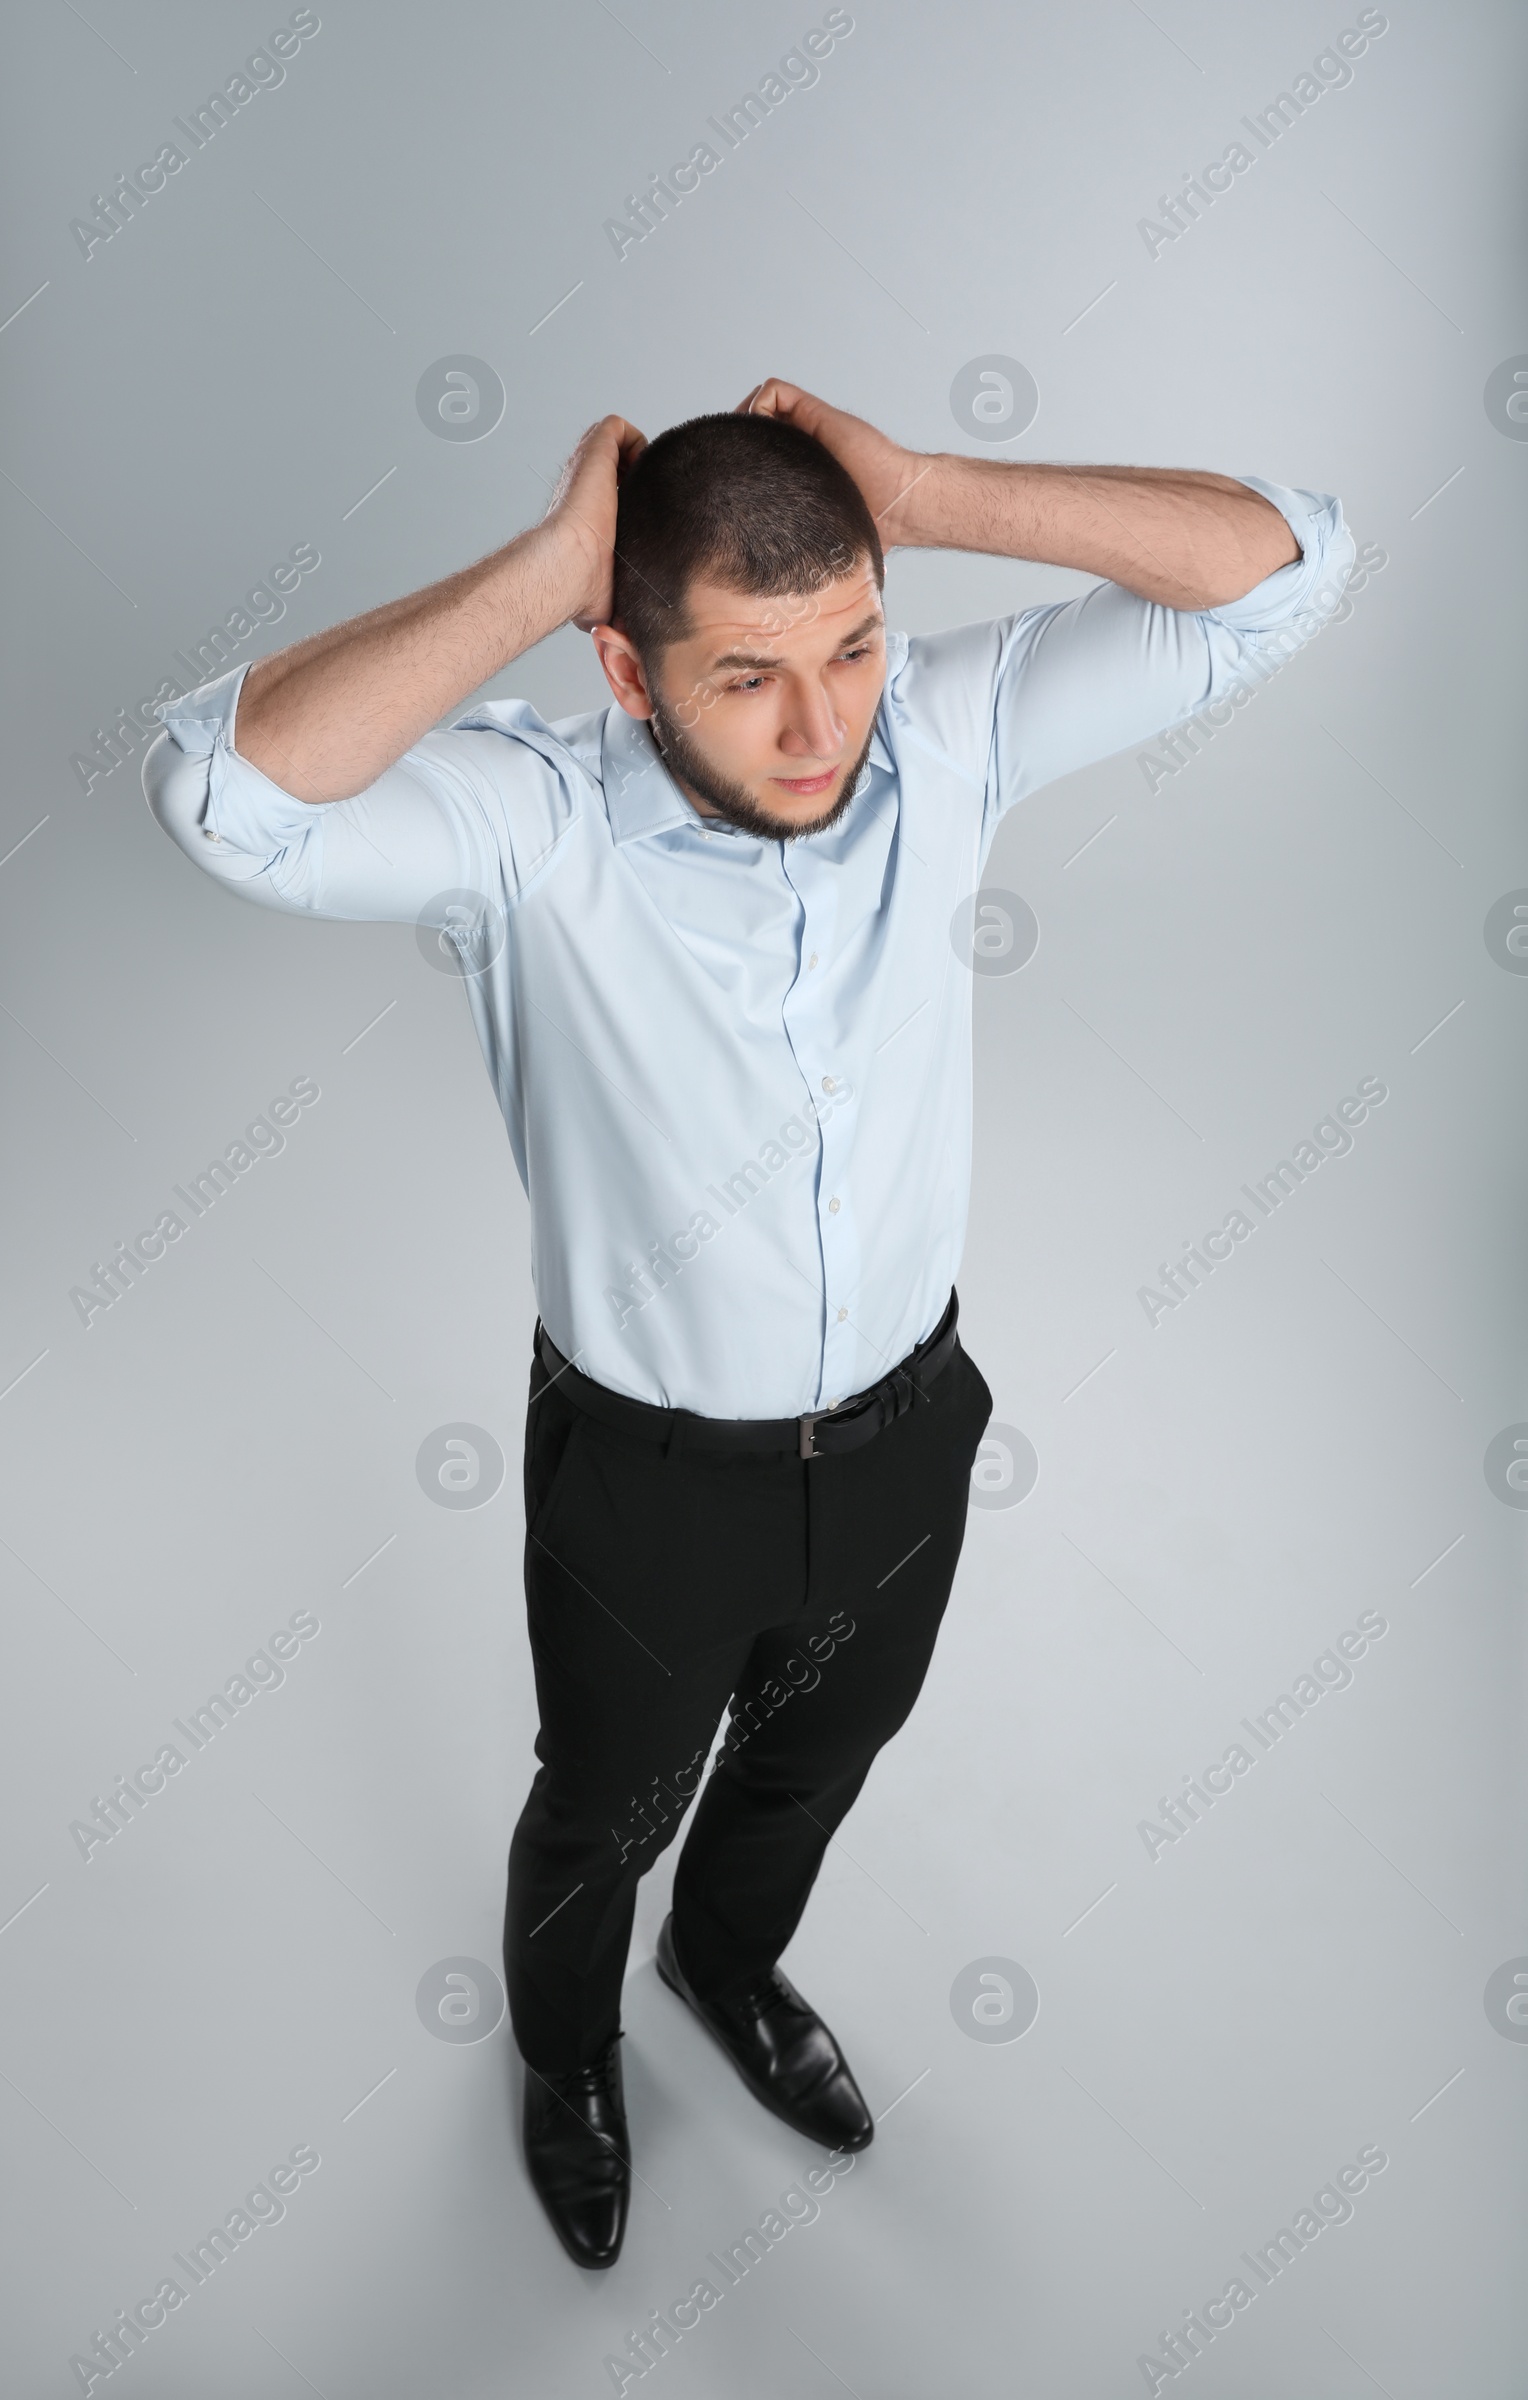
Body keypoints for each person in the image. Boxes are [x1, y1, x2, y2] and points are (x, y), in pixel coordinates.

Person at [144, 380, 1352, 2270]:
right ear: (627, 675)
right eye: (748, 678)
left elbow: (1287, 570)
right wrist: (549, 573)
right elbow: (222, 797)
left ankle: (729, 1968)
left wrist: (931, 491)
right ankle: (569, 2064)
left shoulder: (938, 739)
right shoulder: (531, 821)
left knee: (822, 1755)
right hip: (645, 1485)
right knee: (601, 1811)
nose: (823, 728)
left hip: (904, 1440)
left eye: (855, 647)